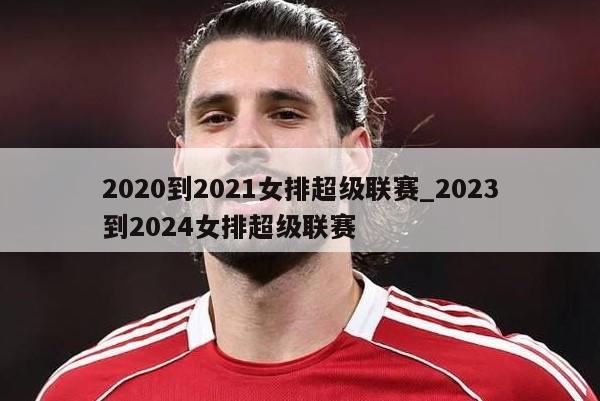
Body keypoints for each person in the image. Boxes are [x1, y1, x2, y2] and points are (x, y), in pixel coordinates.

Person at [37, 1, 597, 400]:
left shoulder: (503, 384)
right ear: (181, 163)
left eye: (285, 114)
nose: (245, 144)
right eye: (216, 118)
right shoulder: (89, 390)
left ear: (354, 157)